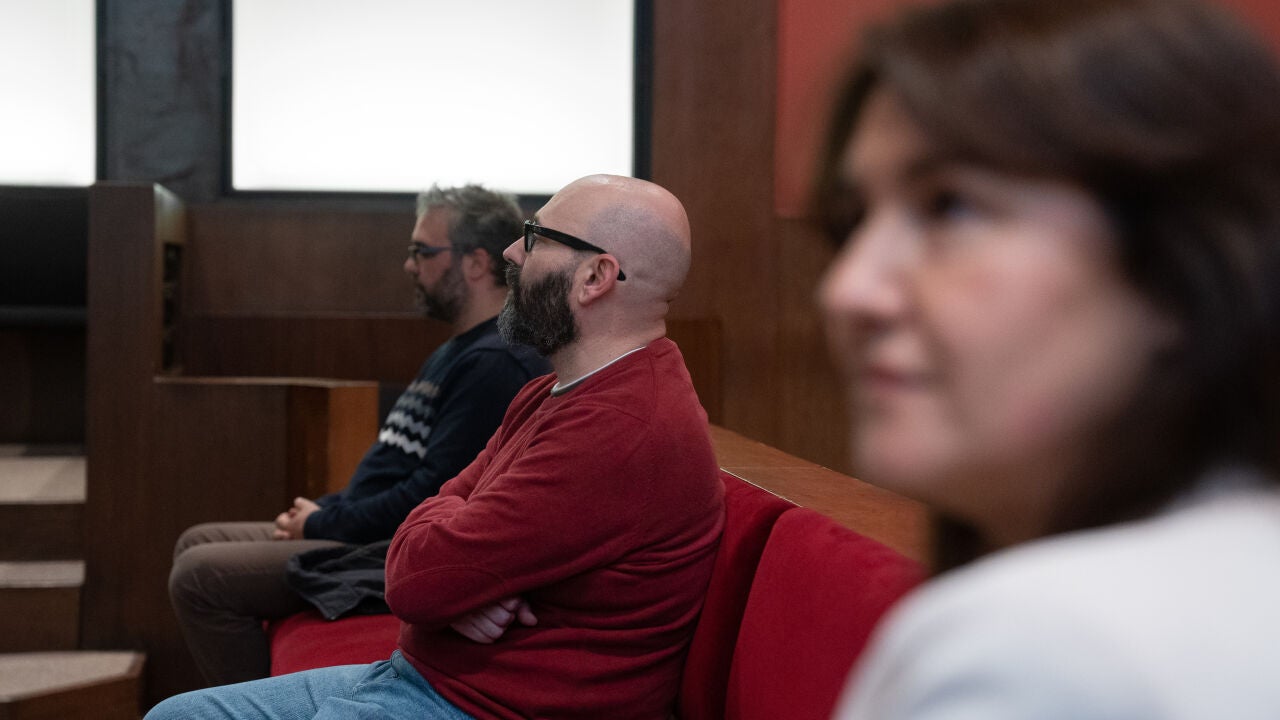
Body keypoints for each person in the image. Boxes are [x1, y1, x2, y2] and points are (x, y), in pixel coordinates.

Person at [814, 0, 1280, 717]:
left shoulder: (1040, 651)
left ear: (1182, 269)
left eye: (950, 208)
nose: (848, 290)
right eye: (852, 221)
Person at [146, 174, 725, 720]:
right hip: (430, 677)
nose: (511, 253)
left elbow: (415, 579)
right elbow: (440, 518)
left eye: (536, 238)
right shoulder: (554, 390)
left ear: (595, 276)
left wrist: (452, 573)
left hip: (487, 707)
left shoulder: (620, 427)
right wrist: (458, 575)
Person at [168, 184, 549, 686]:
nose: (410, 265)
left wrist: (324, 522)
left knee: (200, 576)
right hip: (358, 526)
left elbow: (432, 493)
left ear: (476, 263)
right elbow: (393, 470)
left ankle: (253, 707)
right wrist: (321, 513)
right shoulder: (459, 350)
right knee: (196, 540)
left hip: (382, 547)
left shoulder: (495, 362)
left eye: (422, 251)